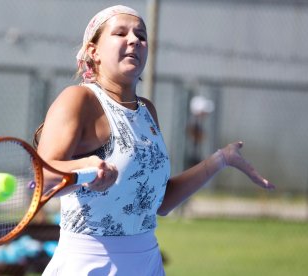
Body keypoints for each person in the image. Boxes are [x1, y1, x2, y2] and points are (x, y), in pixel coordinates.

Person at [35, 5, 275, 275]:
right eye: (120, 33)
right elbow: (42, 177)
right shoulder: (79, 99)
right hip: (88, 264)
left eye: (141, 35)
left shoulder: (147, 110)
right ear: (94, 51)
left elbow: (159, 202)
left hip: (147, 263)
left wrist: (222, 159)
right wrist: (86, 169)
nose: (134, 40)